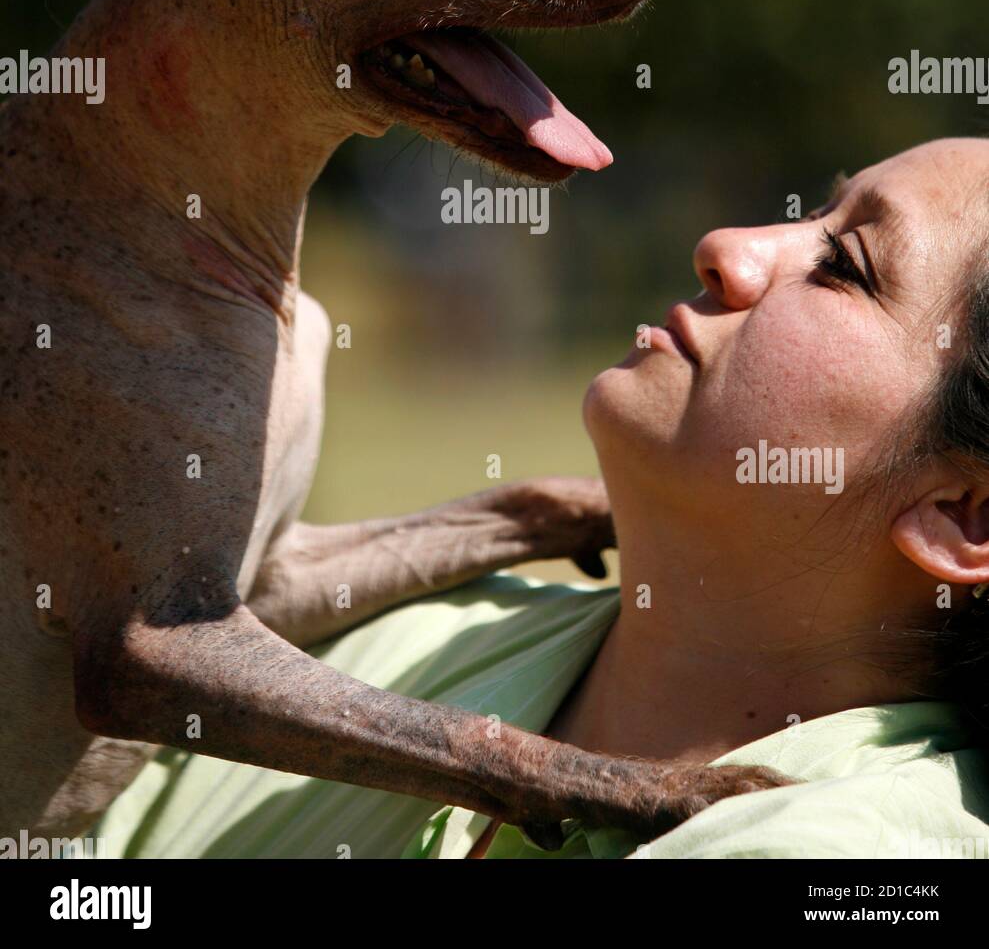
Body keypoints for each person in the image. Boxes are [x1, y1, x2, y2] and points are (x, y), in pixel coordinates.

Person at [87, 138, 989, 859]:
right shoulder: (406, 631)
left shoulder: (843, 851)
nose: (727, 247)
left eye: (846, 265)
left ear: (964, 516)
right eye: (815, 210)